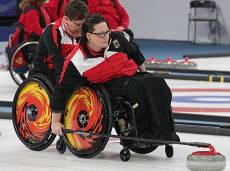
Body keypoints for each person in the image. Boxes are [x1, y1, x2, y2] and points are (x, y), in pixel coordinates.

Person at [50, 14, 179, 142]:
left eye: (107, 32)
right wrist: (55, 122)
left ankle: (165, 132)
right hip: (108, 86)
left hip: (131, 76)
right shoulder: (77, 60)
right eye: (100, 34)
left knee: (158, 83)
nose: (105, 37)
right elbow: (62, 90)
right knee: (138, 88)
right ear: (89, 35)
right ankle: (146, 134)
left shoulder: (117, 38)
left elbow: (135, 52)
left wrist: (145, 74)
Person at [30, 0, 88, 83]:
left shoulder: (84, 29)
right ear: (67, 19)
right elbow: (57, 59)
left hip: (69, 68)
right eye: (78, 24)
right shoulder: (52, 30)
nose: (81, 27)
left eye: (83, 23)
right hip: (46, 71)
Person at [5, 0, 50, 67]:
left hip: (39, 40)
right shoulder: (32, 11)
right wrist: (49, 33)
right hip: (32, 43)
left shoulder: (39, 8)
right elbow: (34, 31)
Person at [44, 0, 130, 31]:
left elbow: (124, 15)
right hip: (98, 31)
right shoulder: (84, 2)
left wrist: (122, 26)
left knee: (128, 37)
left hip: (117, 29)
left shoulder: (113, 1)